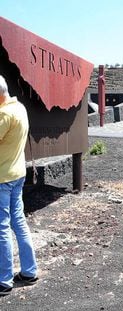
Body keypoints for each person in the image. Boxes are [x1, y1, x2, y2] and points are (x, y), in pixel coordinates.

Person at [0, 75, 38, 296]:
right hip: (17, 174)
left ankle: (4, 280)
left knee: (2, 228)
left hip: (2, 179)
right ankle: (29, 271)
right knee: (19, 222)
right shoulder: (19, 108)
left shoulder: (4, 114)